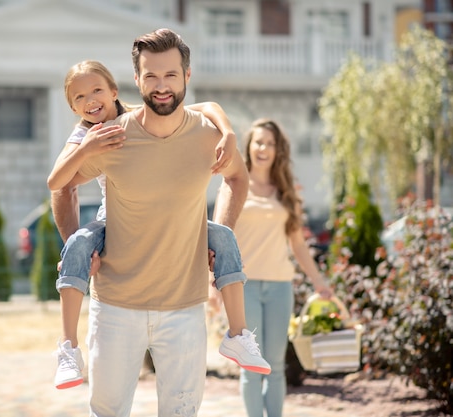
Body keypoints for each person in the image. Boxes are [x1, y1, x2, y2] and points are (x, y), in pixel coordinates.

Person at [52, 28, 249, 416]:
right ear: (137, 79)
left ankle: (239, 335)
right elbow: (59, 185)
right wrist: (77, 246)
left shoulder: (205, 133)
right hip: (115, 301)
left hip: (184, 303)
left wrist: (216, 234)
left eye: (171, 75)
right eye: (151, 76)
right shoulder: (102, 136)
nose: (161, 86)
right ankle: (66, 347)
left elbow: (236, 175)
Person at [209, 118, 334, 417]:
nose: (264, 148)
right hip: (242, 287)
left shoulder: (286, 191)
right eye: (259, 142)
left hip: (280, 286)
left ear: (278, 150)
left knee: (276, 366)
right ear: (249, 146)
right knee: (252, 366)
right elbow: (216, 238)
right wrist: (210, 284)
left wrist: (319, 281)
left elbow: (298, 244)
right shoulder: (234, 183)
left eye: (271, 143)